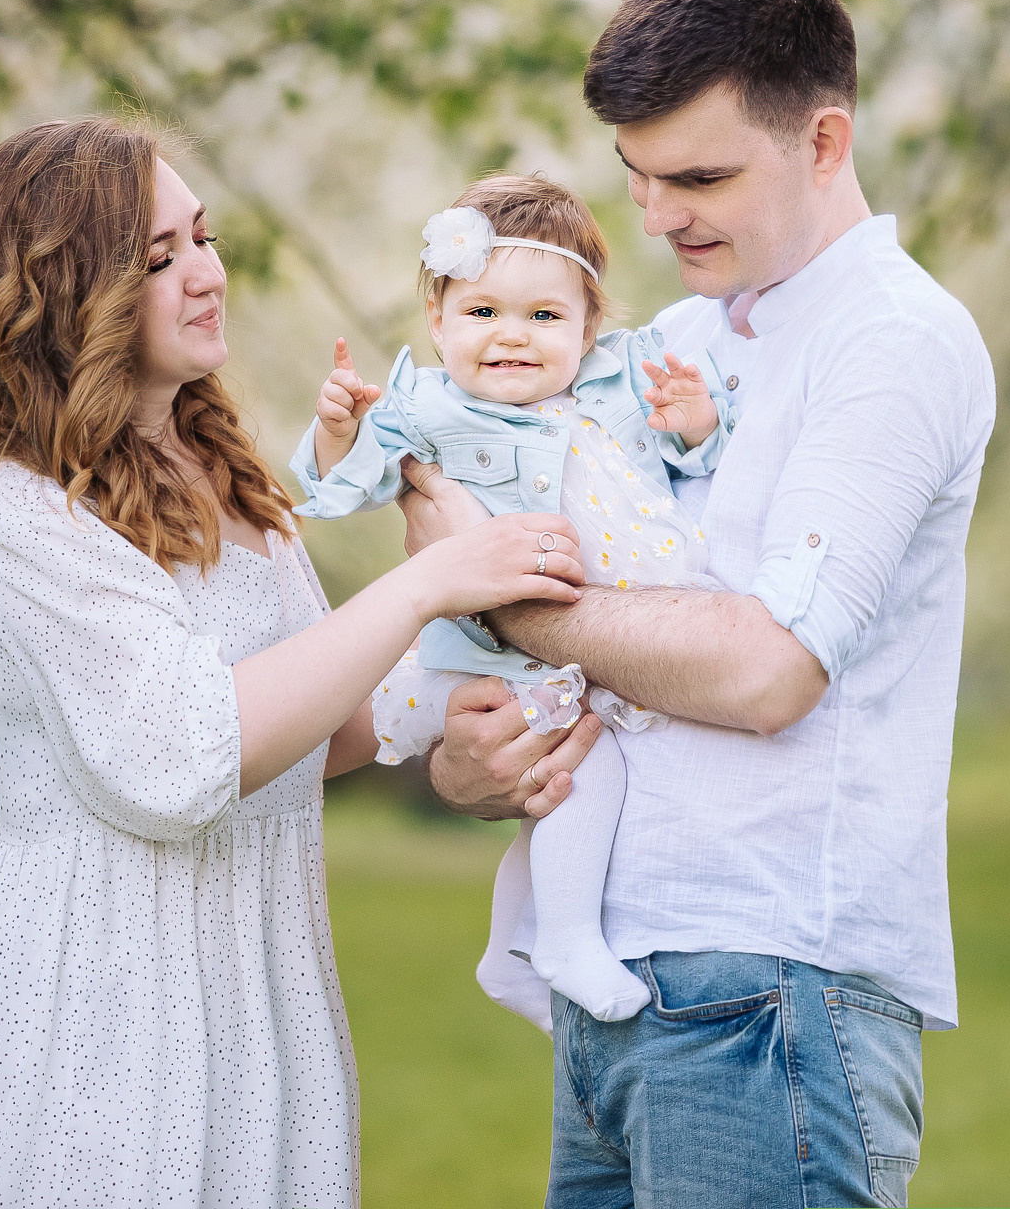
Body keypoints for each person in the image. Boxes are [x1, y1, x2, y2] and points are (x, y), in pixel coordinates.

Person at [0, 118, 585, 1209]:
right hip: (97, 1007)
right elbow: (183, 755)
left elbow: (323, 722)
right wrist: (429, 582)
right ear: (70, 298)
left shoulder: (222, 467)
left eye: (200, 236)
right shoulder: (24, 508)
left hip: (254, 984)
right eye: (158, 259)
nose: (205, 273)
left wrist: (457, 731)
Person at [402, 0, 996, 1209]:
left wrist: (506, 597)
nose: (659, 214)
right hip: (613, 994)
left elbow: (771, 667)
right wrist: (476, 759)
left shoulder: (893, 344)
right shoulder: (654, 346)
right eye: (639, 175)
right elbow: (516, 621)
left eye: (700, 176)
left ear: (823, 143)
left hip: (773, 994)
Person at [289, 172, 723, 1026]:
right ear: (439, 321)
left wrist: (699, 425)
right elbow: (345, 486)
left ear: (590, 325)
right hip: (497, 658)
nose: (511, 338)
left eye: (544, 316)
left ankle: (504, 957)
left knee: (550, 791)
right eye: (482, 313)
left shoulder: (618, 387)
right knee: (583, 766)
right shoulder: (430, 408)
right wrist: (338, 432)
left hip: (577, 644)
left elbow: (689, 472)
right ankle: (563, 939)